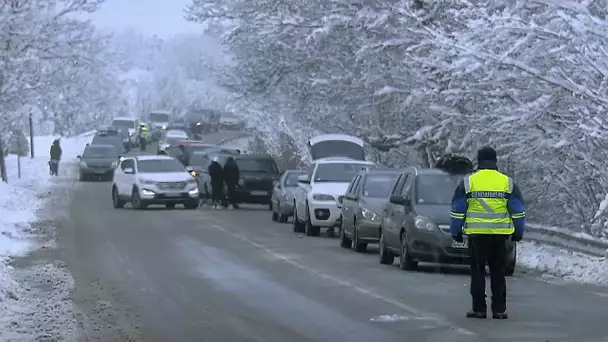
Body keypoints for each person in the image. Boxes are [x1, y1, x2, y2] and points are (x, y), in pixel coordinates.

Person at [450, 146, 526, 320]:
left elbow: (457, 209)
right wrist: (518, 232)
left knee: (477, 271)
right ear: (495, 161)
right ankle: (499, 310)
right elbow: (518, 211)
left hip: (476, 235)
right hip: (500, 235)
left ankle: (479, 309)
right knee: (498, 272)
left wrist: (456, 231)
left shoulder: (469, 182)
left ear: (479, 161)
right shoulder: (507, 182)